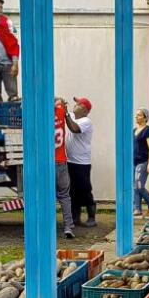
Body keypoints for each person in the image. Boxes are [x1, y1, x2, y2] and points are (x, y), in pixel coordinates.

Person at [65, 96, 96, 227]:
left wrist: (66, 115)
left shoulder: (86, 121)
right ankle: (75, 217)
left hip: (82, 164)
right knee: (72, 191)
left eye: (78, 105)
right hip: (70, 161)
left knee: (85, 190)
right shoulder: (72, 116)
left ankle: (91, 217)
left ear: (85, 110)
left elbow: (74, 129)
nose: (75, 106)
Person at [53, 97, 74, 239]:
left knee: (47, 196)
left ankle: (48, 227)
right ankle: (68, 226)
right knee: (65, 196)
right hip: (61, 161)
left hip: (47, 164)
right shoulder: (61, 112)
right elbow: (61, 103)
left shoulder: (43, 115)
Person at [133, 107, 149, 218]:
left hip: (144, 161)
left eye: (139, 115)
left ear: (145, 118)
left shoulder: (148, 130)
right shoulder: (134, 130)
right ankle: (137, 209)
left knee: (139, 186)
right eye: (136, 114)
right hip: (134, 162)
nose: (136, 116)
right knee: (135, 186)